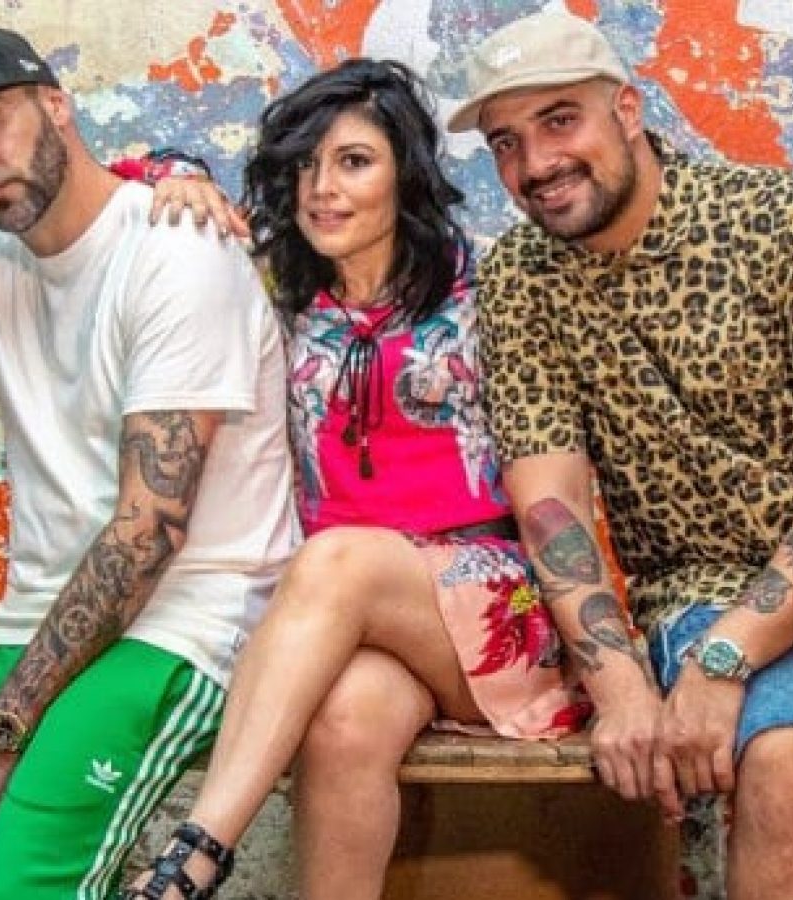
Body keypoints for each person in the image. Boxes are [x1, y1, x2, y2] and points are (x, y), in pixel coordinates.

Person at [447, 11, 793, 900]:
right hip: (708, 581)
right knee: (785, 764)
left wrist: (723, 662)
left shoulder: (786, 219)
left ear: (627, 111)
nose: (537, 163)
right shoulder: (519, 279)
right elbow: (551, 508)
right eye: (506, 143)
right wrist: (623, 688)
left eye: (561, 120)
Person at [0, 26, 296, 899]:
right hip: (33, 620)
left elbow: (148, 535)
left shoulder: (176, 250)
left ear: (56, 105)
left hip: (185, 626)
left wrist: (0, 732)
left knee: (15, 890)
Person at [123, 58, 597, 900]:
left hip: (494, 603)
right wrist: (174, 169)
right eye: (306, 166)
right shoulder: (280, 287)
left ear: (403, 174)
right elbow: (109, 185)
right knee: (343, 723)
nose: (322, 190)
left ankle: (193, 861)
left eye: (353, 162)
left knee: (337, 558)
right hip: (349, 621)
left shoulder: (483, 285)